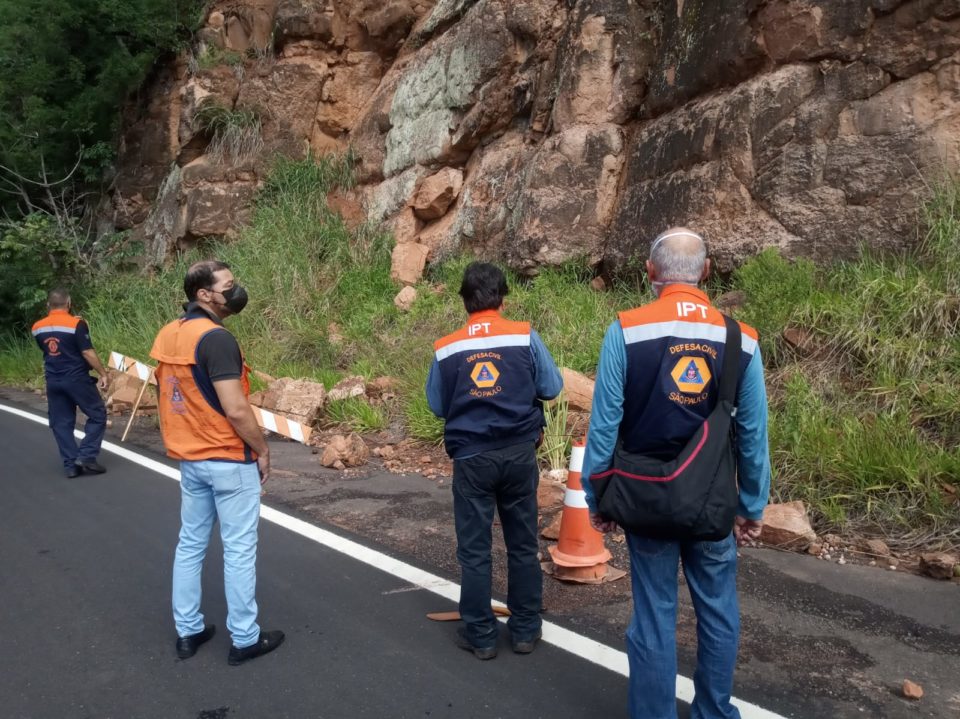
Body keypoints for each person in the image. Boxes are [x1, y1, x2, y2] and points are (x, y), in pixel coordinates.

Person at [581, 228, 771, 719]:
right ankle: (714, 712)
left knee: (653, 616)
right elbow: (752, 436)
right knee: (718, 610)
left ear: (651, 273)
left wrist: (597, 495)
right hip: (712, 503)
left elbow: (604, 425)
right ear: (706, 273)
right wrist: (752, 506)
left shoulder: (626, 328)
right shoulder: (741, 338)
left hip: (648, 499)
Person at [426, 262, 563, 660]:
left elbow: (436, 404)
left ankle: (482, 635)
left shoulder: (447, 346)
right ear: (503, 297)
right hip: (519, 453)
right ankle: (524, 630)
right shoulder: (524, 335)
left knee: (474, 549)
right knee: (522, 543)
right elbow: (552, 387)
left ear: (465, 299)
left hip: (471, 458)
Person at [150, 260, 284, 666]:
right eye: (228, 286)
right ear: (204, 295)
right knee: (239, 550)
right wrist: (261, 449)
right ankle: (244, 638)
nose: (236, 290)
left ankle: (188, 631)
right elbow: (237, 410)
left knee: (189, 545)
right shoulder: (216, 339)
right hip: (227, 458)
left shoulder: (170, 334)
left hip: (190, 459)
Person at [31, 288, 109, 478]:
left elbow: (48, 350)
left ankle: (70, 465)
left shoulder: (37, 327)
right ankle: (87, 456)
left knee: (61, 422)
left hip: (53, 380)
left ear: (48, 305)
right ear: (69, 303)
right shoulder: (76, 324)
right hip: (76, 378)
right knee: (97, 414)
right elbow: (87, 352)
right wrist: (103, 373)